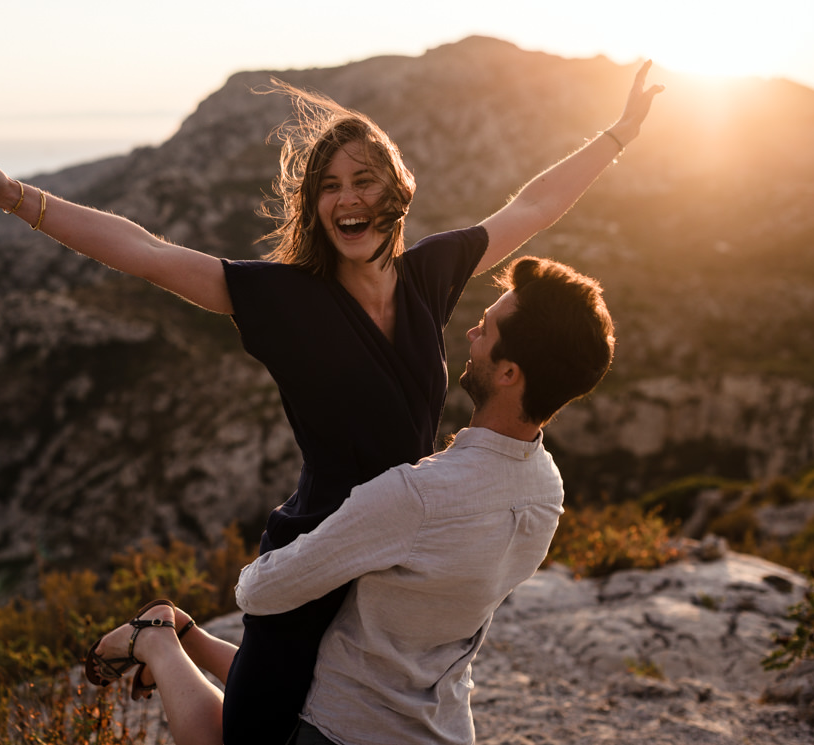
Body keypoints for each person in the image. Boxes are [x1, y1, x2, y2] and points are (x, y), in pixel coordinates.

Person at [0, 63, 662, 743]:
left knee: (323, 701)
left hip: (396, 545)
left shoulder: (431, 274)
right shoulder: (283, 300)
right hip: (320, 546)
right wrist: (12, 196)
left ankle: (179, 634)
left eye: (363, 179)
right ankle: (160, 641)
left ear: (396, 188)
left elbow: (534, 205)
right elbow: (145, 252)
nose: (346, 199)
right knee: (248, 737)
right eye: (328, 186)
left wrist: (620, 135)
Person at [86, 255, 616, 745]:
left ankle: (158, 640)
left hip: (344, 725)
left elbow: (260, 593)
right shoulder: (548, 490)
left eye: (487, 328)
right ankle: (185, 634)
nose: (472, 331)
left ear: (508, 373)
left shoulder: (417, 495)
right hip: (443, 724)